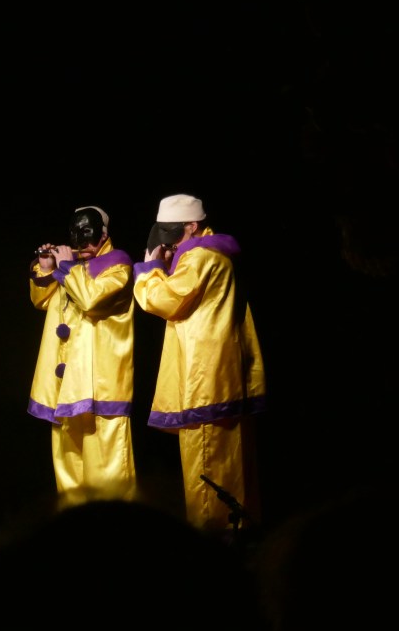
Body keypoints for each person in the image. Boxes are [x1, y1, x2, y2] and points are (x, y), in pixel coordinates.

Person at [132, 194, 266, 534]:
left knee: (206, 461)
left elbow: (163, 300)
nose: (169, 244)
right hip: (220, 372)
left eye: (174, 235)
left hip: (204, 375)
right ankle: (241, 534)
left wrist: (149, 270)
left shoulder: (200, 257)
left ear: (192, 226)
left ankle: (214, 537)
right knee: (232, 462)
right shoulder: (215, 254)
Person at [28, 206, 138, 503]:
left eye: (87, 233)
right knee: (69, 463)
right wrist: (46, 267)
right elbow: (41, 300)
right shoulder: (72, 268)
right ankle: (74, 522)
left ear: (104, 234)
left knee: (107, 469)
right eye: (75, 234)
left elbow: (91, 299)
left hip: (100, 384)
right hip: (65, 385)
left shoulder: (118, 267)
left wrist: (65, 267)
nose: (80, 242)